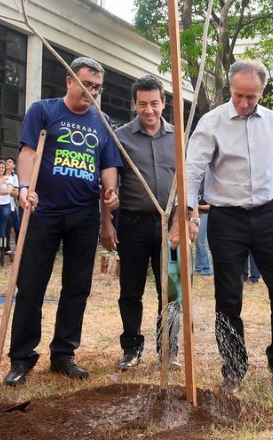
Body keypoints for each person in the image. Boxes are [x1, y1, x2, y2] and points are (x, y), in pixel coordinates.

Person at [172, 59, 273, 394]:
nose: (245, 103)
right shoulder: (212, 122)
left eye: (252, 96)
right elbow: (194, 168)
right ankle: (233, 367)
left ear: (262, 91)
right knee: (228, 296)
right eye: (238, 96)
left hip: (267, 215)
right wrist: (188, 211)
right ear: (229, 89)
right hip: (226, 219)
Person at [4, 57, 122, 386]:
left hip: (84, 214)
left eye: (97, 87)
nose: (92, 92)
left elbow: (107, 165)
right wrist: (25, 188)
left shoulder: (103, 121)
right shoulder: (43, 111)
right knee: (30, 286)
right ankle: (22, 358)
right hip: (43, 211)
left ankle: (63, 354)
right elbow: (28, 153)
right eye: (87, 84)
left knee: (77, 287)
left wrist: (109, 198)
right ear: (70, 80)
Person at [99, 75, 178, 371]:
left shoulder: (178, 137)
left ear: (163, 103)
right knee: (131, 290)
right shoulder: (120, 137)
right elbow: (108, 185)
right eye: (142, 104)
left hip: (169, 226)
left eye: (154, 103)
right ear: (134, 104)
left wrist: (187, 218)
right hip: (132, 223)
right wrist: (107, 220)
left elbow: (186, 182)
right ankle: (131, 348)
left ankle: (168, 349)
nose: (149, 110)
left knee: (170, 291)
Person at [194, 190, 212, 276]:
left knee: (202, 242)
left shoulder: (207, 190)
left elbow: (211, 206)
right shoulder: (196, 189)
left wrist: (198, 206)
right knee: (197, 242)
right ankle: (198, 267)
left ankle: (207, 268)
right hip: (196, 216)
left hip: (205, 215)